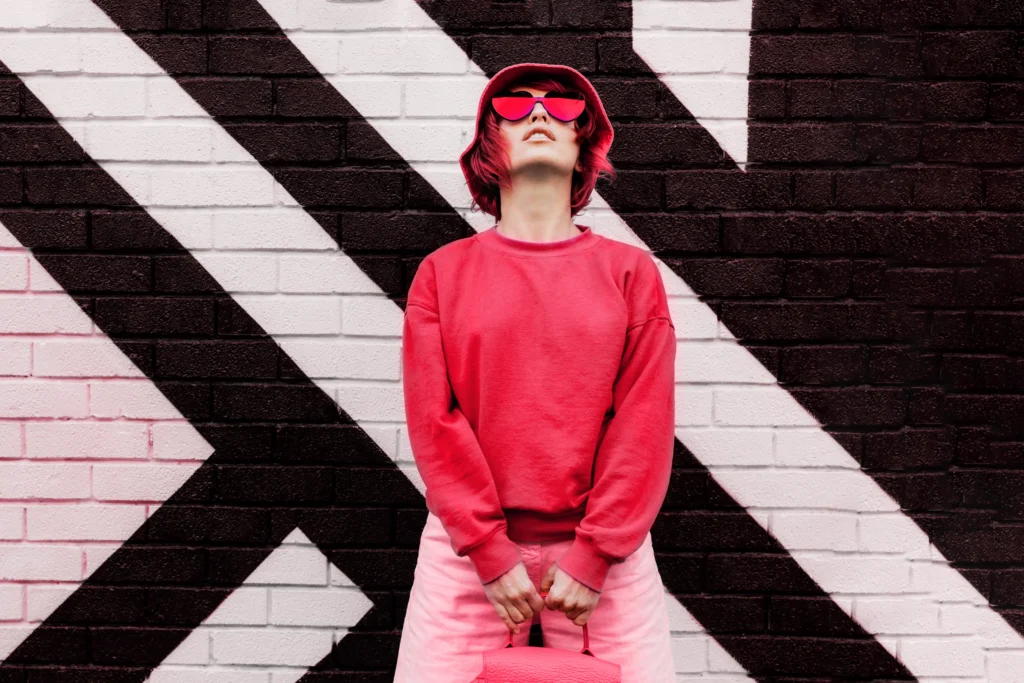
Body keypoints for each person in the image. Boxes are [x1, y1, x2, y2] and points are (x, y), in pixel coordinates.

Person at [394, 62, 677, 683]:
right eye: (515, 106)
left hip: (608, 559)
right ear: (488, 147)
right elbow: (434, 423)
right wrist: (489, 552)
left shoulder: (630, 274)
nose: (541, 112)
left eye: (564, 106)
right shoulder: (442, 273)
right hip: (467, 556)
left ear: (584, 147)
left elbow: (644, 423)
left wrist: (595, 554)